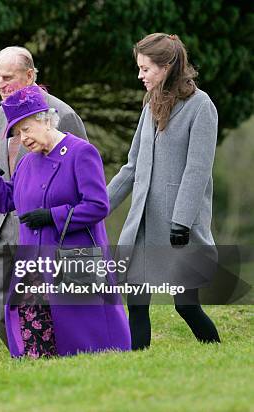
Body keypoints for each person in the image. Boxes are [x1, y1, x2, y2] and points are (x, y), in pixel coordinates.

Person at [0, 85, 130, 358]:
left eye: (26, 129)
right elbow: (8, 201)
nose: (23, 138)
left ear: (45, 119)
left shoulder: (81, 153)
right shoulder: (26, 163)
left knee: (87, 344)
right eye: (18, 133)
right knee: (37, 348)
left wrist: (53, 216)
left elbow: (98, 205)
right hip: (34, 266)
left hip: (74, 259)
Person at [107, 33, 221, 350]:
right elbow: (131, 167)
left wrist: (182, 221)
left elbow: (198, 169)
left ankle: (216, 353)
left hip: (177, 226)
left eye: (145, 69)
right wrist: (98, 205)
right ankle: (138, 363)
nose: (140, 75)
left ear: (167, 66)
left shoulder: (202, 107)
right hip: (143, 221)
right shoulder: (150, 105)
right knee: (137, 302)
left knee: (185, 305)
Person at [0, 46, 89, 347]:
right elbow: (4, 179)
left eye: (8, 77)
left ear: (30, 76)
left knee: (54, 307)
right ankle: (28, 354)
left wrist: (61, 219)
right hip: (4, 226)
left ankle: (46, 358)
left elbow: (82, 173)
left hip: (49, 229)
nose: (1, 84)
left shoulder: (63, 114)